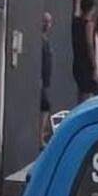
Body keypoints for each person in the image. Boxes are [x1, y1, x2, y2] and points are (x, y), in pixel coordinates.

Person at [72, 0, 98, 103]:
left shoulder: (76, 21)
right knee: (87, 95)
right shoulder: (89, 24)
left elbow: (75, 8)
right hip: (86, 63)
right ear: (92, 9)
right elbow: (89, 45)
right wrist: (94, 66)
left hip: (77, 61)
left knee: (81, 92)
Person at [40, 12, 53, 148]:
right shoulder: (40, 40)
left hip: (45, 80)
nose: (47, 25)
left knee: (45, 106)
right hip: (40, 80)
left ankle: (42, 134)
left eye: (49, 22)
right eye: (44, 21)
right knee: (45, 105)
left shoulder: (45, 39)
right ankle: (40, 137)